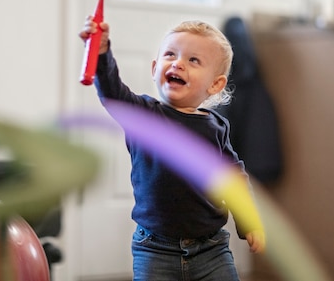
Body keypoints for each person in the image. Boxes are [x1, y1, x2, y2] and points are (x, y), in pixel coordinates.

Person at [79, 17, 266, 281]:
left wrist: (249, 221)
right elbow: (112, 93)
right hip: (155, 249)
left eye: (193, 60)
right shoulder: (144, 116)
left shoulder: (216, 127)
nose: (178, 63)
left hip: (211, 248)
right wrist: (101, 53)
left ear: (215, 85)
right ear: (155, 68)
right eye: (170, 54)